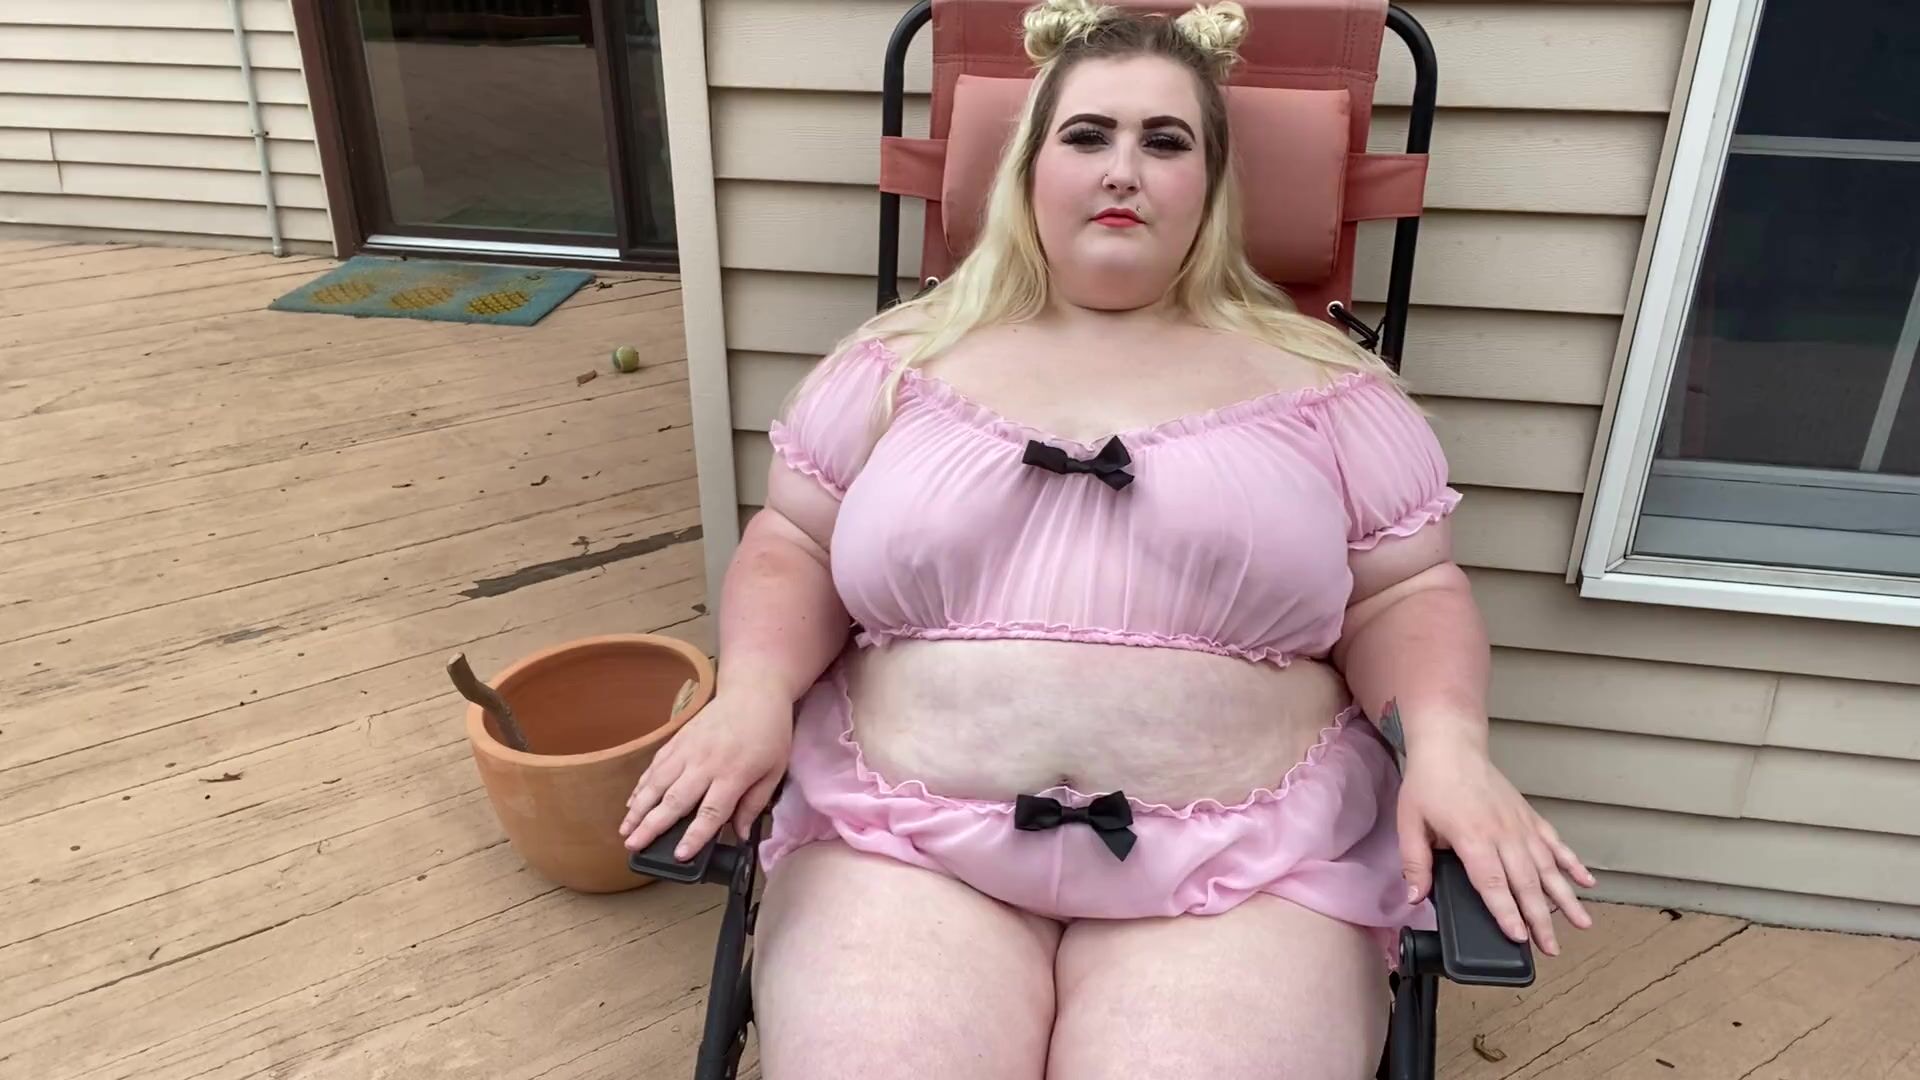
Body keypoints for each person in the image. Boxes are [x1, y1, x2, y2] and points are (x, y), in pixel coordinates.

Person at [620, 1, 1596, 1074]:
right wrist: (754, 692)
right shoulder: (898, 362)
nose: (1123, 170)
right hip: (898, 843)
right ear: (1028, 168)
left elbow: (1405, 594)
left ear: (1212, 186)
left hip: (1248, 873)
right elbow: (796, 546)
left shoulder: (1328, 387)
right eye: (1087, 135)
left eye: (1165, 142)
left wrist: (1448, 747)